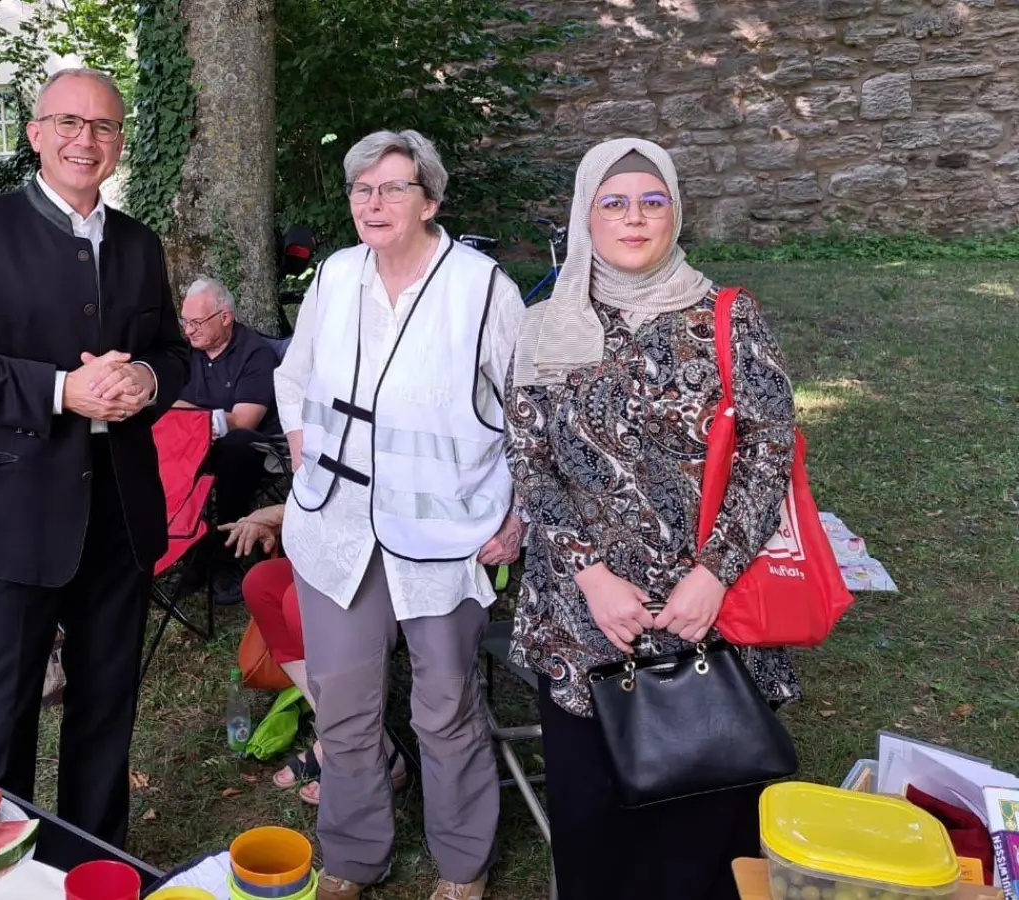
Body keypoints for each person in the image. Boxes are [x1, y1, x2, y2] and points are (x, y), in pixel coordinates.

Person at [0, 68, 188, 853]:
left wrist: (146, 377)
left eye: (102, 127)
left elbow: (174, 353)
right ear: (34, 133)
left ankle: (90, 862)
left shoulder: (137, 242)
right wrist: (64, 391)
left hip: (119, 514)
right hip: (14, 511)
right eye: (68, 122)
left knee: (106, 708)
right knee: (0, 716)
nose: (84, 140)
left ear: (119, 141)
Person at [506, 137, 801, 900]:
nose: (633, 218)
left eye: (651, 200)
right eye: (613, 203)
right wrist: (594, 576)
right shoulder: (546, 327)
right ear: (585, 215)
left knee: (701, 833)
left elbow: (768, 458)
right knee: (593, 823)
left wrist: (714, 574)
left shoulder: (728, 318)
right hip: (582, 620)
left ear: (675, 211)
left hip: (707, 614)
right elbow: (529, 460)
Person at [274, 129, 524, 900]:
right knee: (344, 709)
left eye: (392, 188)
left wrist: (514, 516)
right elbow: (296, 376)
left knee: (445, 707)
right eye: (361, 189)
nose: (372, 203)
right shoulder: (336, 276)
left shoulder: (483, 288)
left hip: (443, 534)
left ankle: (462, 864)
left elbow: (531, 412)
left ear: (430, 200)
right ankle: (353, 856)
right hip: (335, 528)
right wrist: (299, 446)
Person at [222, 504, 409, 806]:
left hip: (400, 569)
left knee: (300, 605)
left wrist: (287, 514)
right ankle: (341, 735)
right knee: (262, 583)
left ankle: (369, 752)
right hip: (339, 557)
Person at [174, 276, 281, 604]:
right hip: (190, 445)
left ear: (225, 317)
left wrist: (194, 415)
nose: (189, 330)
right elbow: (166, 405)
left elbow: (242, 421)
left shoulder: (255, 354)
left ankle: (226, 556)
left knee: (236, 446)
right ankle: (189, 545)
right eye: (185, 322)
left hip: (252, 451)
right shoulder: (185, 355)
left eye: (196, 322)